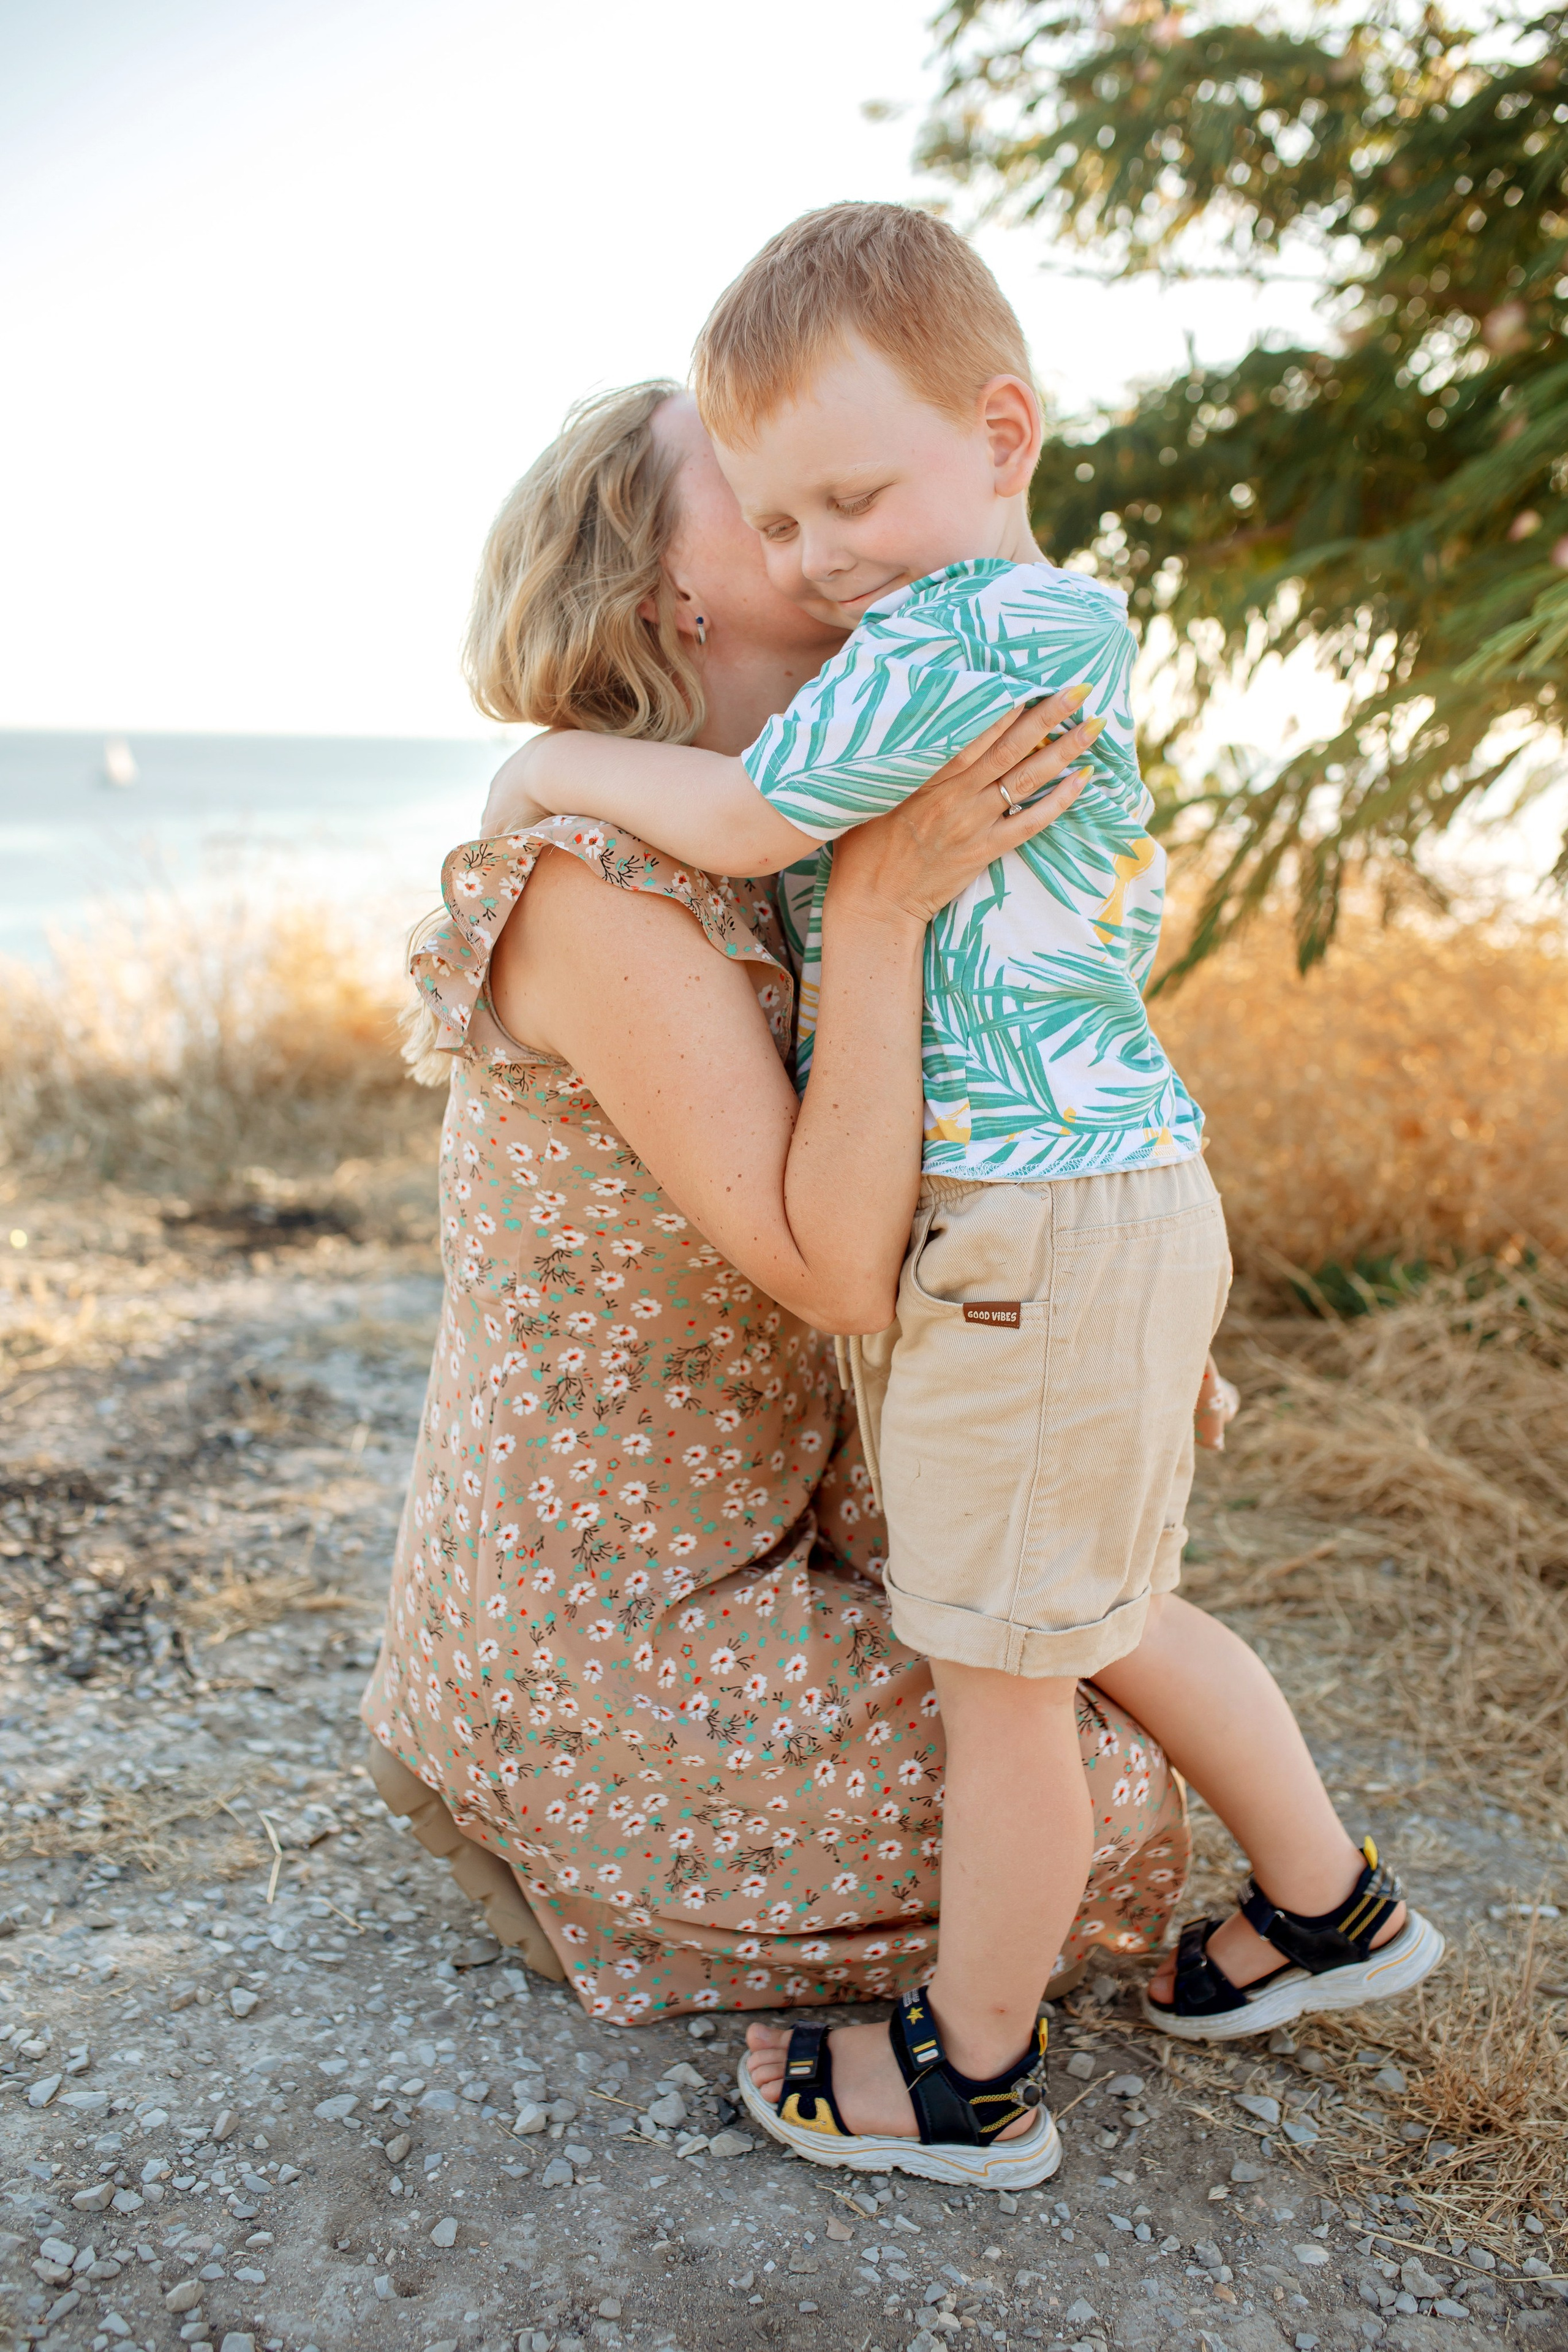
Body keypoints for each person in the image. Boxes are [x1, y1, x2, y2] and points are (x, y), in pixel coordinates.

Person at [486, 206, 1444, 2185]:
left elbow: (754, 816)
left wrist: (548, 769)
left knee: (1004, 1695)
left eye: (843, 501)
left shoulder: (953, 641)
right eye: (778, 518)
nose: (819, 557)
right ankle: (1328, 1900)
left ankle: (968, 2074)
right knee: (1109, 1616)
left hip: (1032, 1219)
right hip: (1096, 1190)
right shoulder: (995, 630)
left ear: (1002, 433)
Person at [360, 379, 1193, 2060]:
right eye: (744, 489)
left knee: (1061, 1659)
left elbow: (1036, 1082)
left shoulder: (791, 827)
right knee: (1114, 1803)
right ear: (670, 584)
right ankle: (551, 1830)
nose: (803, 502)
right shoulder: (599, 880)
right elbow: (833, 1269)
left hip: (789, 1529)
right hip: (622, 1635)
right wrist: (885, 910)